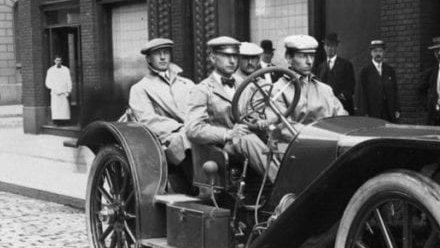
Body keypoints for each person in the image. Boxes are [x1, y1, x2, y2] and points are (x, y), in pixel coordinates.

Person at [186, 36, 275, 181]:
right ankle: (283, 183)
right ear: (213, 58)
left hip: (249, 140)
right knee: (247, 139)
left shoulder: (247, 84)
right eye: (227, 56)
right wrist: (228, 133)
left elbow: (254, 113)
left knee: (280, 137)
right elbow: (192, 129)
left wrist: (261, 121)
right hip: (221, 147)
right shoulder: (202, 90)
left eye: (235, 56)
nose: (232, 61)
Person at [129, 38, 195, 167]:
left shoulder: (187, 84)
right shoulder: (140, 88)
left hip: (192, 128)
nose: (163, 57)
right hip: (165, 136)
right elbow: (147, 120)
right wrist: (180, 127)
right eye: (157, 54)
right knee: (185, 139)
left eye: (166, 52)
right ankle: (195, 184)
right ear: (148, 59)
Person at [273, 34, 347, 142]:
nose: (309, 61)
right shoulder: (278, 91)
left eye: (312, 56)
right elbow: (285, 128)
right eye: (303, 56)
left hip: (331, 146)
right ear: (289, 58)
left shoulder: (325, 89)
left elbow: (342, 118)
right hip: (295, 150)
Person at [357, 39, 400, 122]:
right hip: (373, 112)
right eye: (375, 51)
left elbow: (395, 91)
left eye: (380, 51)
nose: (378, 54)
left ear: (384, 53)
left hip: (388, 112)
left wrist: (397, 108)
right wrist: (364, 113)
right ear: (371, 53)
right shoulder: (365, 71)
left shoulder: (390, 70)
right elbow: (361, 94)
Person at [315, 32, 356, 115]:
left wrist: (339, 97)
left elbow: (350, 86)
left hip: (343, 106)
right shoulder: (321, 67)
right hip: (326, 108)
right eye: (328, 45)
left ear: (337, 47)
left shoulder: (346, 64)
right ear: (324, 47)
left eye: (333, 46)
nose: (330, 48)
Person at [45, 56, 73, 126]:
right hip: (55, 93)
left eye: (60, 60)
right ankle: (57, 122)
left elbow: (68, 80)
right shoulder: (50, 70)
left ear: (61, 61)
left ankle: (65, 122)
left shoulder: (66, 69)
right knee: (56, 108)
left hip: (64, 92)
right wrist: (54, 89)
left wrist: (69, 90)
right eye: (57, 60)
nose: (58, 62)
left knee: (64, 108)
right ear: (54, 61)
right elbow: (48, 82)